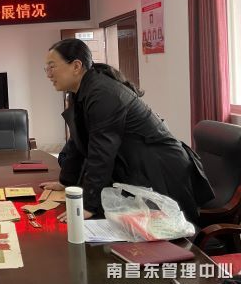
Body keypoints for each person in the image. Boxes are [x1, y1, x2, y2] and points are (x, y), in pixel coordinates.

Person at [39, 38, 214, 225]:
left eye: (52, 67)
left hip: (160, 169)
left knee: (162, 233)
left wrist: (89, 205)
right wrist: (66, 182)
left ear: (76, 66)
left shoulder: (103, 93)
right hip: (138, 165)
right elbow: (78, 140)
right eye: (46, 69)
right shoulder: (80, 91)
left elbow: (101, 153)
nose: (48, 74)